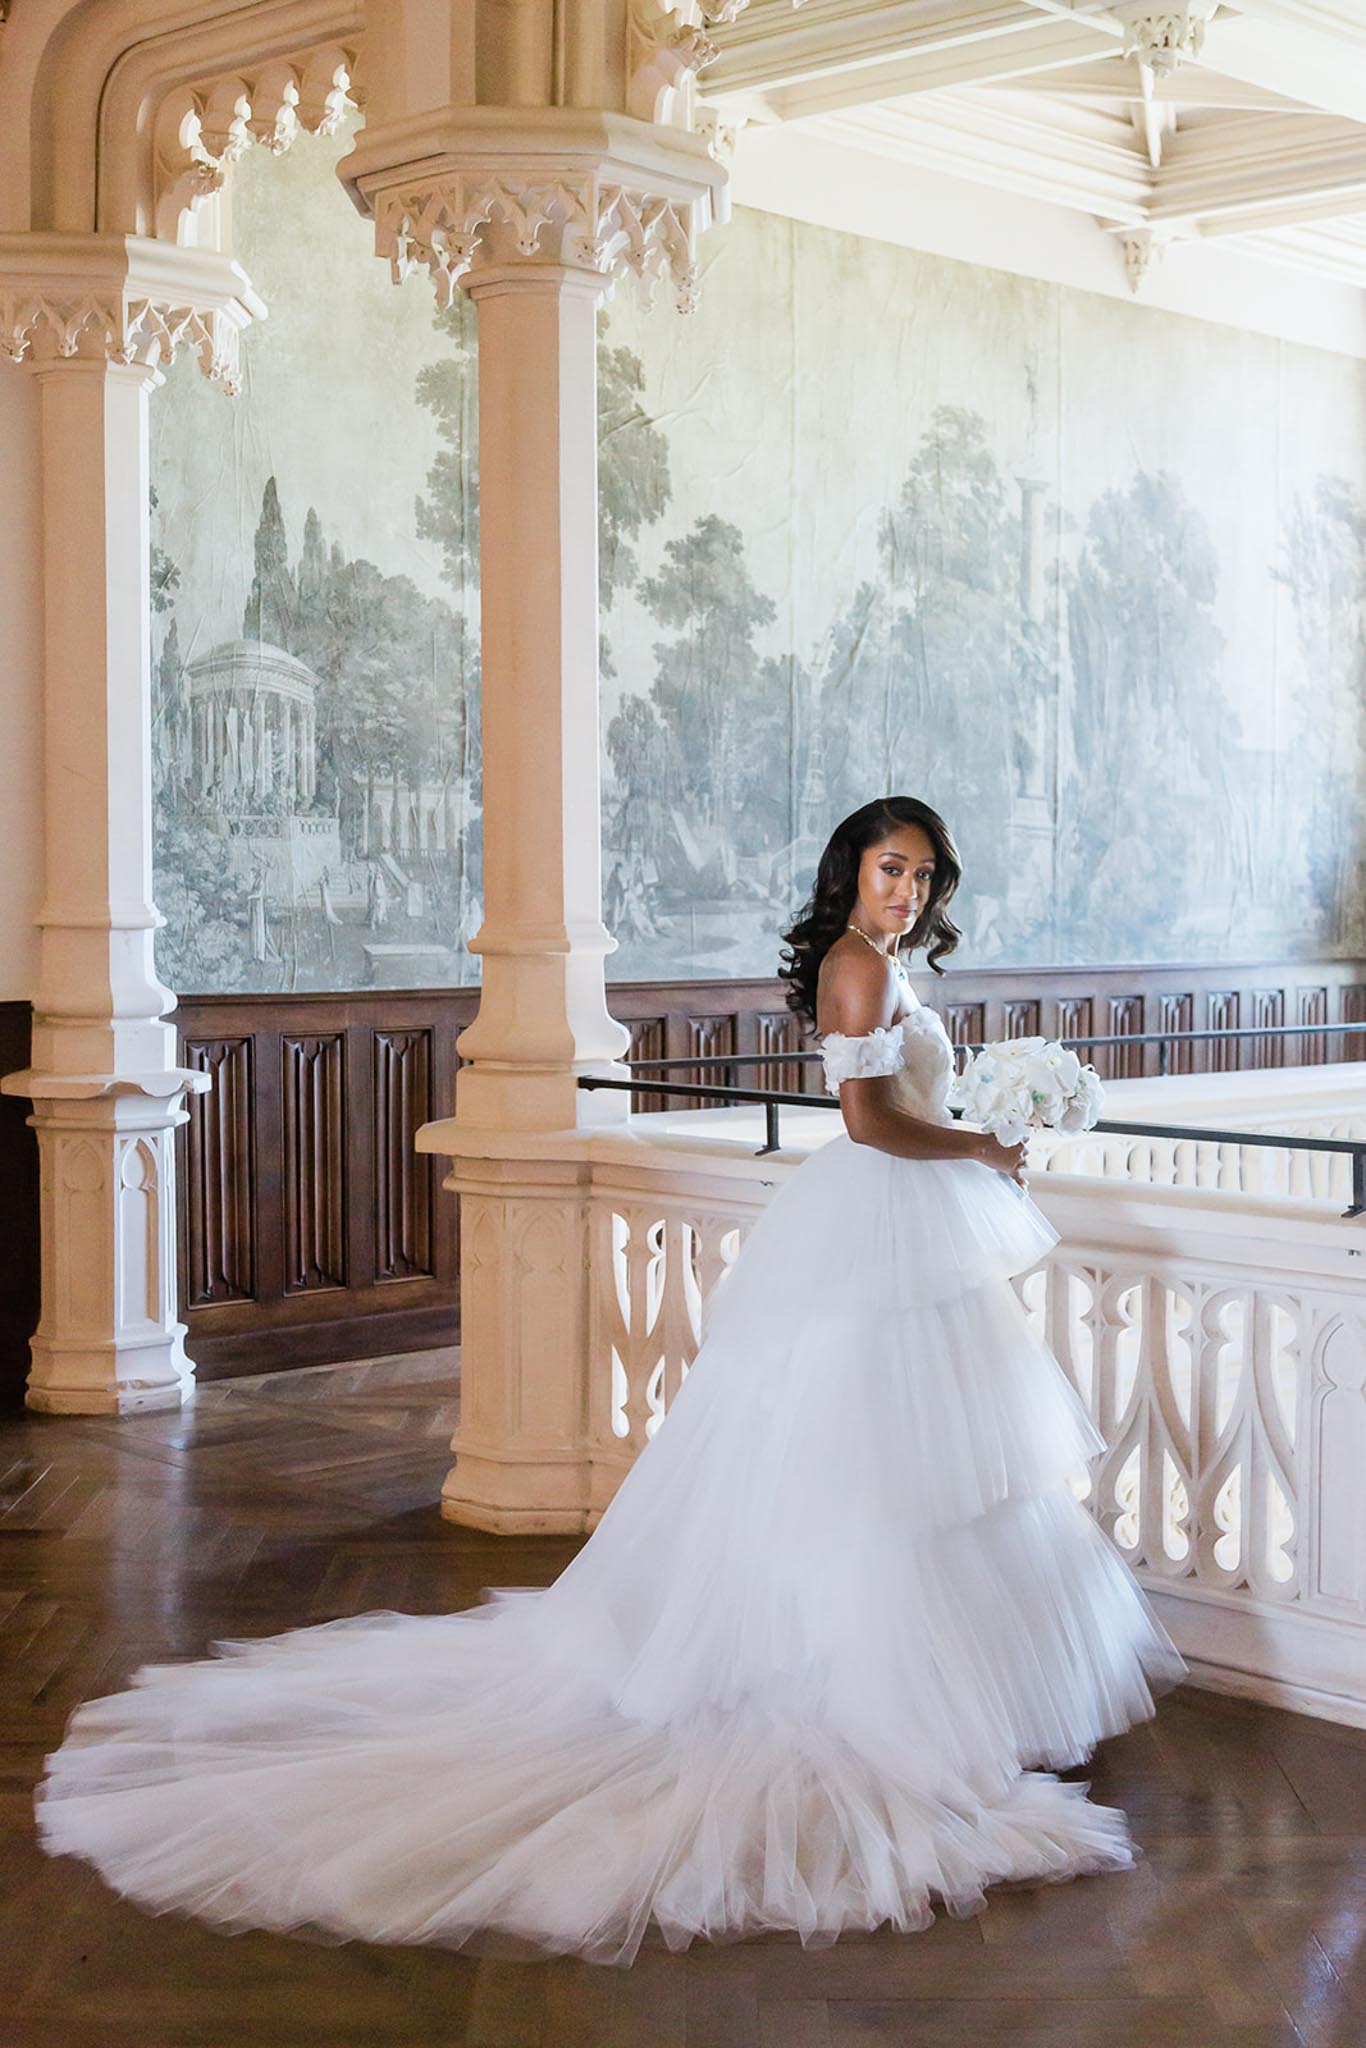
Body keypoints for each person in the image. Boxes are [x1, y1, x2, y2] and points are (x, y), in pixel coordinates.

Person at [35, 794, 1186, 1966]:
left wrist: (980, 1123)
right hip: (882, 1215)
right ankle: (868, 1696)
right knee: (873, 1466)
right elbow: (870, 1120)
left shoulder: (880, 961)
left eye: (925, 875)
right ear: (852, 871)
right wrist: (985, 1142)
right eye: (893, 869)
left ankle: (943, 1689)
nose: (909, 890)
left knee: (934, 1470)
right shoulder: (853, 966)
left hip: (905, 1229)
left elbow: (901, 1102)